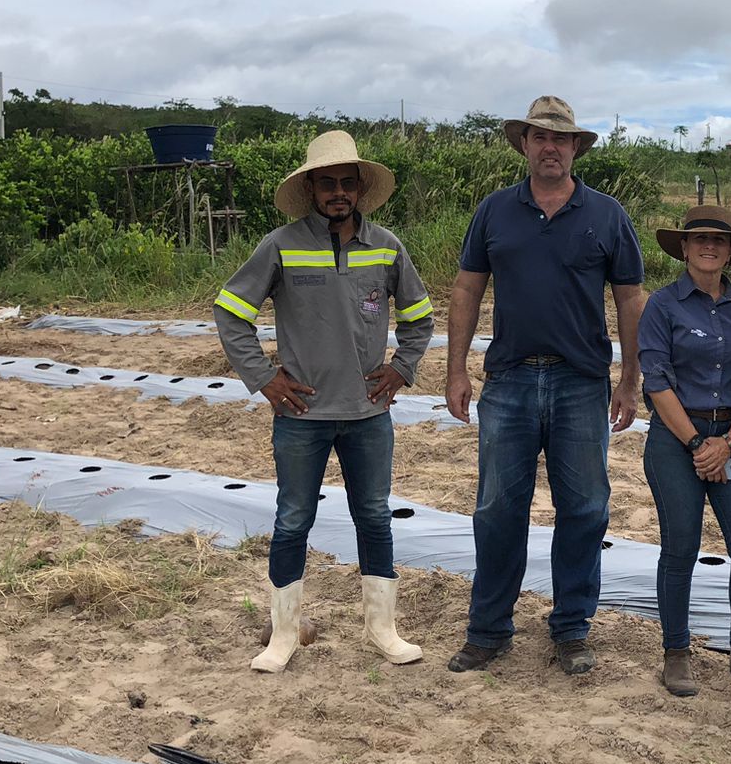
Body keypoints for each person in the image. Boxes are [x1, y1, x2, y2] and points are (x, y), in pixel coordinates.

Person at [214, 130, 434, 674]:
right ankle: (283, 635)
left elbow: (420, 315)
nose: (338, 192)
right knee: (292, 520)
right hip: (302, 416)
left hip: (368, 416)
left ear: (360, 189)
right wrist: (263, 377)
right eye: (327, 182)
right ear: (311, 187)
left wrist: (402, 368)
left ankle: (382, 628)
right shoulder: (281, 244)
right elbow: (230, 311)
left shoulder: (386, 245)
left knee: (375, 518)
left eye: (347, 183)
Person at [444, 96, 646, 676]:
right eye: (539, 138)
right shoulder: (495, 211)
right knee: (496, 508)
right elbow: (466, 290)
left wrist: (629, 380)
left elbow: (630, 298)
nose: (551, 148)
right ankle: (488, 630)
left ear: (576, 148)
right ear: (525, 145)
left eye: (562, 140)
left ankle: (571, 629)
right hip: (507, 379)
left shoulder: (606, 214)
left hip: (581, 381)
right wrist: (457, 369)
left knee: (584, 508)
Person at [639, 205, 731, 699]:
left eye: (719, 239)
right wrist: (697, 444)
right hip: (677, 439)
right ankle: (676, 652)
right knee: (680, 548)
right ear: (685, 247)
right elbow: (656, 379)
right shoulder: (663, 306)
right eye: (699, 240)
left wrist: (730, 441)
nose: (709, 247)